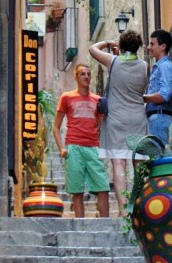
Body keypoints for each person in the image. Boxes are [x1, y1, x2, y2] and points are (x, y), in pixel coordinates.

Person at [90, 31, 148, 214]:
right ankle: (140, 207)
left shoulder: (113, 61)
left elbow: (92, 49)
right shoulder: (145, 66)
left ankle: (124, 210)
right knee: (139, 162)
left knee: (118, 163)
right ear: (138, 47)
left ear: (121, 45)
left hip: (117, 119)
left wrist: (108, 43)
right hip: (138, 118)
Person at [53, 64, 110, 218]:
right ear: (76, 77)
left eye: (88, 74)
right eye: (82, 74)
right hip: (74, 147)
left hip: (93, 147)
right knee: (77, 190)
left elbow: (101, 125)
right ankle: (80, 224)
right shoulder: (66, 97)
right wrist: (61, 148)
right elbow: (56, 127)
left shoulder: (97, 100)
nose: (86, 77)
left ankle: (106, 223)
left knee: (103, 187)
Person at [143, 29, 172, 144]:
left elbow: (165, 94)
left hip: (159, 118)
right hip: (159, 118)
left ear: (163, 46)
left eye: (152, 44)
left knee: (157, 153)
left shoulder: (164, 67)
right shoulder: (162, 67)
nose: (149, 47)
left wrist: (143, 98)